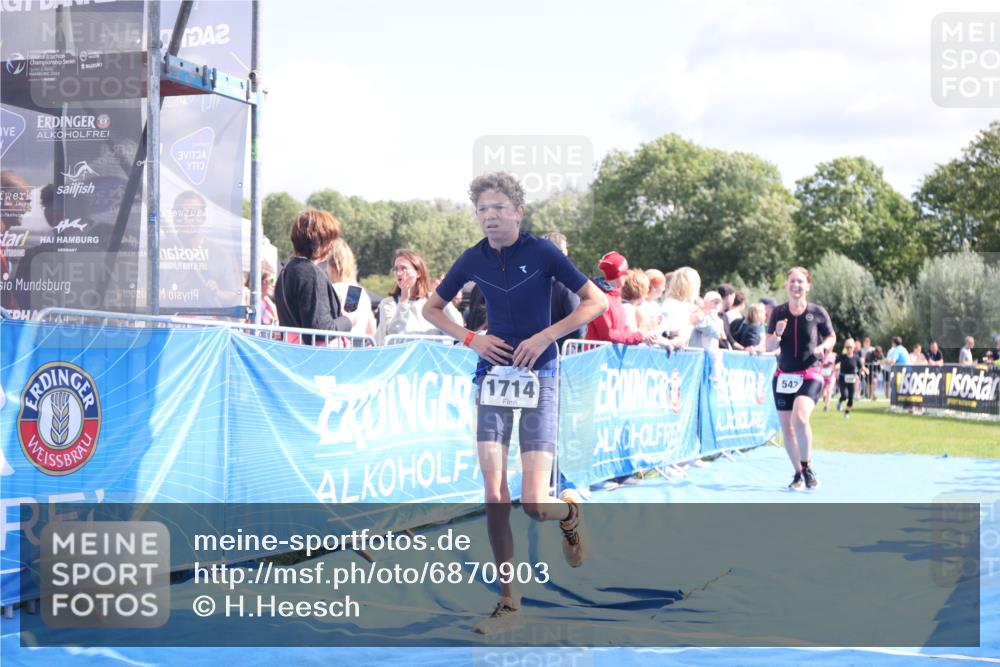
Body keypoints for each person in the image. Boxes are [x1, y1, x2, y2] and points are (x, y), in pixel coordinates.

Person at [423, 172, 608, 634]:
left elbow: (596, 302)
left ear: (518, 212)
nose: (490, 217)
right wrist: (471, 338)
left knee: (534, 504)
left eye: (499, 208)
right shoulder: (472, 258)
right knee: (494, 495)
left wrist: (545, 336)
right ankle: (509, 601)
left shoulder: (542, 252)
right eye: (482, 210)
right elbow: (430, 308)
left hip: (539, 377)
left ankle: (569, 512)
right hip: (492, 378)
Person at [766, 266, 836, 490]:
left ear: (808, 286)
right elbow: (769, 346)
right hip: (783, 375)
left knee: (800, 417)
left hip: (810, 373)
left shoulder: (817, 312)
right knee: (787, 428)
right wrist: (777, 333)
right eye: (792, 281)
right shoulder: (778, 312)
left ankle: (807, 467)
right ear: (786, 285)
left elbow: (831, 336)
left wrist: (824, 347)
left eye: (800, 281)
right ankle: (798, 473)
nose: (796, 285)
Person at [274, 209, 358, 343]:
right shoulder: (310, 274)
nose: (331, 246)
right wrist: (348, 320)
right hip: (313, 354)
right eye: (329, 240)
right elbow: (321, 330)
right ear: (319, 241)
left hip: (293, 350)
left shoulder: (286, 271)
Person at [376, 249, 462, 344]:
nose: (399, 273)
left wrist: (444, 295)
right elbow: (394, 336)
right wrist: (404, 300)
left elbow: (458, 327)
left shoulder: (432, 301)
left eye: (404, 268)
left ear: (418, 273)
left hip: (433, 353)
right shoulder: (389, 303)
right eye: (396, 269)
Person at [586, 251, 658, 345]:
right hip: (597, 353)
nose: (627, 275)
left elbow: (621, 331)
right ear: (617, 276)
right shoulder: (599, 297)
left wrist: (642, 335)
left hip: (610, 352)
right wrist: (639, 336)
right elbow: (608, 335)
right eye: (624, 273)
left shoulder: (615, 295)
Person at [541, 232, 586, 351]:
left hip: (540, 348)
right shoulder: (567, 283)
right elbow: (578, 321)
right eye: (565, 249)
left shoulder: (531, 280)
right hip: (565, 351)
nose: (567, 252)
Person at [327, 237, 376, 337]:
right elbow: (371, 329)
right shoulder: (356, 291)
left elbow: (348, 322)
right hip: (359, 343)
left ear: (331, 267)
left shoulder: (343, 291)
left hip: (344, 344)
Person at [836, 338, 863, 418]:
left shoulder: (856, 357)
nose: (849, 349)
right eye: (847, 347)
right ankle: (840, 401)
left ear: (853, 347)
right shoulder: (842, 357)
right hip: (842, 378)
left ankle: (847, 413)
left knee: (851, 397)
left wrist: (865, 370)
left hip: (852, 378)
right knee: (844, 395)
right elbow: (835, 363)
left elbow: (861, 367)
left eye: (850, 347)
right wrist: (835, 367)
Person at [819, 347, 838, 412]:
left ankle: (826, 406)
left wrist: (836, 366)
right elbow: (819, 363)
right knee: (823, 393)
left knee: (829, 391)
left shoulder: (834, 355)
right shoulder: (822, 355)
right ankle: (825, 397)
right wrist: (824, 364)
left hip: (831, 375)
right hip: (823, 376)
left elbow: (838, 363)